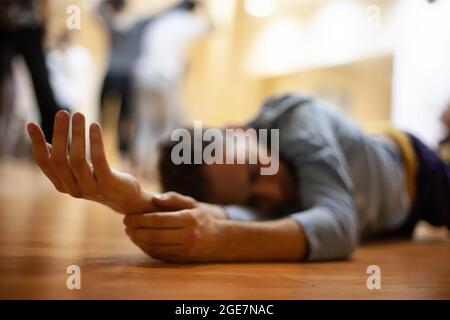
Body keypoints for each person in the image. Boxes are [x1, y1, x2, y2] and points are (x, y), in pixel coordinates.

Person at [26, 93, 450, 263]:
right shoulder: (261, 191)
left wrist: (222, 240)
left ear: (240, 132)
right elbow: (230, 213)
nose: (271, 192)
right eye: (254, 194)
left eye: (256, 169)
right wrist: (133, 200)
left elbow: (340, 225)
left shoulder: (297, 118)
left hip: (415, 169)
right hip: (391, 218)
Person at [132, 0, 209, 176]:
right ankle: (159, 168)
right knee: (170, 126)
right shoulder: (186, 21)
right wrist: (204, 9)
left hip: (144, 74)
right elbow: (211, 28)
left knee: (146, 124)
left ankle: (141, 167)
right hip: (166, 76)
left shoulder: (161, 21)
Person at [0, 0, 66, 143]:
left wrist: (44, 20)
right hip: (4, 23)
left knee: (42, 83)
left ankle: (55, 141)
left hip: (29, 25)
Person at [97, 0, 154, 157]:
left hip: (117, 75)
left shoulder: (112, 23)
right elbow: (161, 15)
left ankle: (118, 151)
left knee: (115, 116)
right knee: (124, 117)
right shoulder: (137, 25)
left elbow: (97, 9)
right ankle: (121, 152)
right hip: (124, 76)